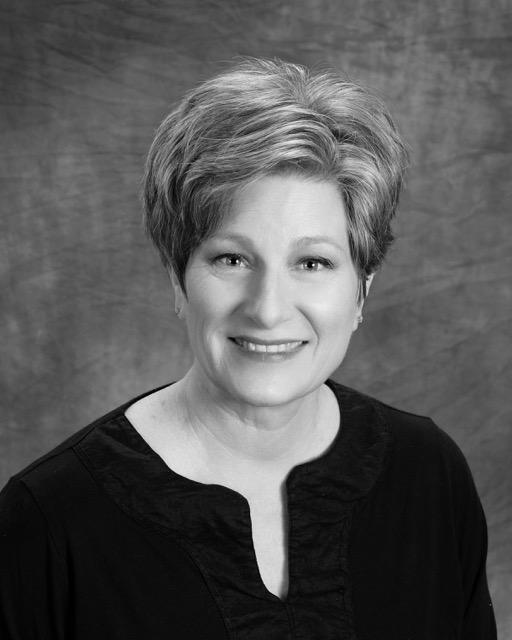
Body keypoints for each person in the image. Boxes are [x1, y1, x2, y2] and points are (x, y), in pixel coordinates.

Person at [0, 58, 496, 639]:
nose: (267, 308)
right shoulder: (47, 522)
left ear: (362, 288)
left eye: (313, 262)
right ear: (178, 279)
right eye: (231, 258)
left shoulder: (429, 475)